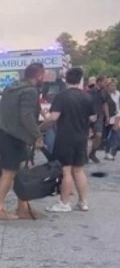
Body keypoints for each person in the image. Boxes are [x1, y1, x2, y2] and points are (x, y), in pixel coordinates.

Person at [0, 63, 46, 221]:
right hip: (14, 137)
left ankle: (23, 208)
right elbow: (26, 116)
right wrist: (37, 135)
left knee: (22, 171)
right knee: (8, 172)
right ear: (39, 75)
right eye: (44, 75)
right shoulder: (30, 91)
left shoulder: (13, 87)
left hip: (5, 134)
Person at [43, 67, 95, 212]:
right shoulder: (87, 97)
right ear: (80, 79)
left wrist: (41, 125)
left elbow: (54, 117)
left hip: (65, 137)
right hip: (81, 136)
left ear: (66, 79)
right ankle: (83, 202)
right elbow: (92, 117)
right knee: (79, 169)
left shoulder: (61, 96)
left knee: (66, 170)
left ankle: (64, 203)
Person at [86, 76, 109, 163]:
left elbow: (105, 104)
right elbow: (85, 102)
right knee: (84, 136)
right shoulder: (90, 91)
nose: (105, 84)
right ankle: (83, 156)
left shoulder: (104, 92)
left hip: (99, 116)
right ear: (99, 82)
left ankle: (92, 153)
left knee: (98, 135)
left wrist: (107, 116)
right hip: (89, 115)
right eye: (104, 82)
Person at [106, 78, 120, 160]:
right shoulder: (106, 94)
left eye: (115, 85)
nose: (113, 87)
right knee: (108, 136)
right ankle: (107, 152)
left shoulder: (118, 94)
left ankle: (112, 152)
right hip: (108, 117)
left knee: (116, 134)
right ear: (108, 86)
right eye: (111, 85)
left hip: (117, 116)